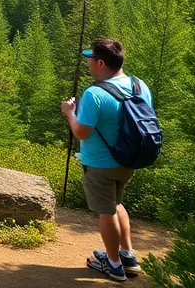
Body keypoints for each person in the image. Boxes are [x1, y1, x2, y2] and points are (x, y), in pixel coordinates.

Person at [62, 38, 151, 282]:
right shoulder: (139, 85)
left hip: (100, 164)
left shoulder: (95, 93)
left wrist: (70, 113)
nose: (88, 63)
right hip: (128, 161)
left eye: (90, 59)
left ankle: (113, 265)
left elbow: (82, 132)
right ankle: (128, 256)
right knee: (118, 204)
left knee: (106, 211)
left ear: (100, 63)